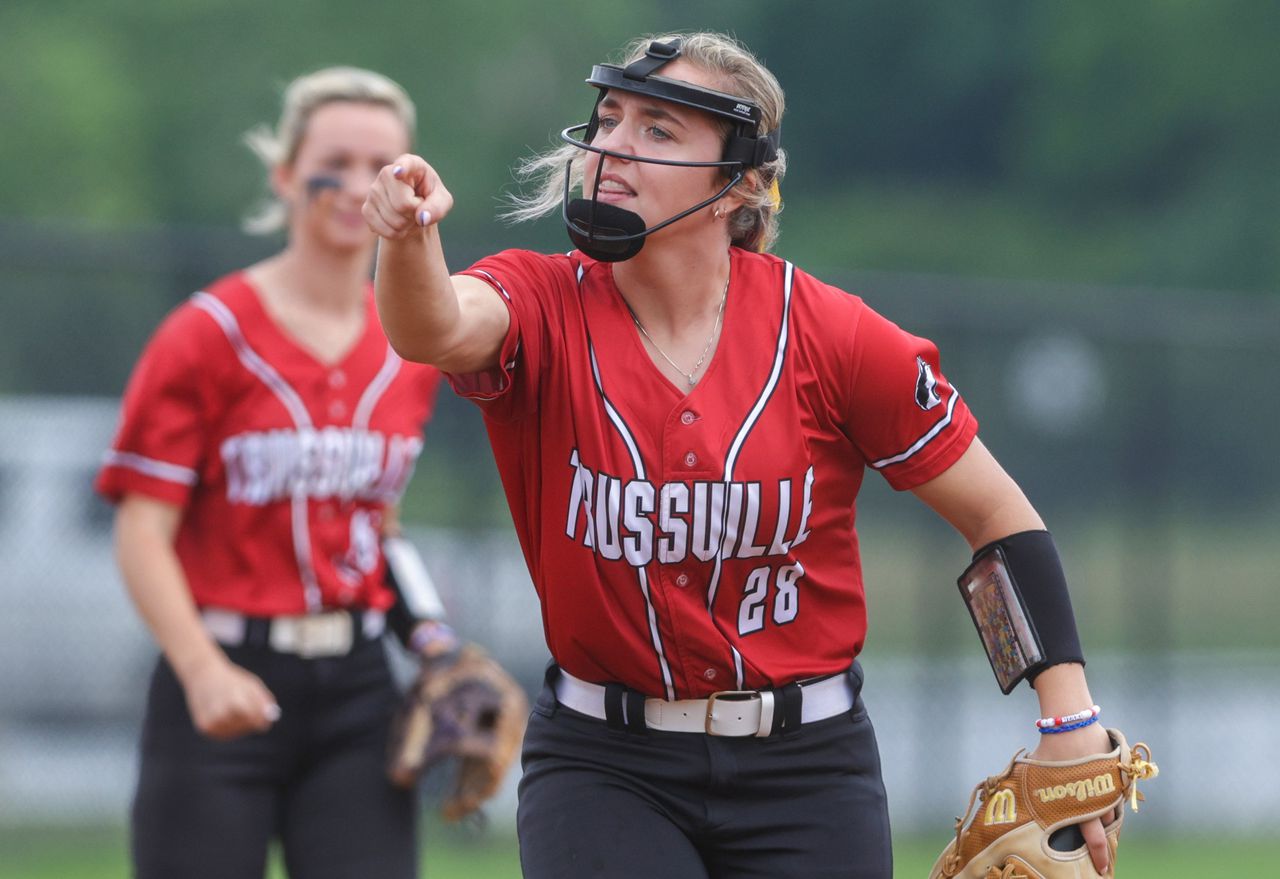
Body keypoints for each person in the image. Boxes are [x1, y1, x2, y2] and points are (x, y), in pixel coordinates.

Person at [364, 32, 1116, 879]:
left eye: (659, 129)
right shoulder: (542, 300)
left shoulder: (831, 335)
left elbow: (998, 523)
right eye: (610, 118)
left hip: (809, 767)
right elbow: (431, 326)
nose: (614, 144)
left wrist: (1068, 720)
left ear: (740, 183)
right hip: (603, 765)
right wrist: (408, 235)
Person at [96, 67, 450, 879]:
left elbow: (378, 530)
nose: (361, 185)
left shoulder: (416, 343)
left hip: (361, 687)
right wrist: (199, 669)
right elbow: (142, 528)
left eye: (385, 165)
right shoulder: (208, 332)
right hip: (224, 677)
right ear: (285, 172)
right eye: (337, 159)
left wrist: (432, 644)